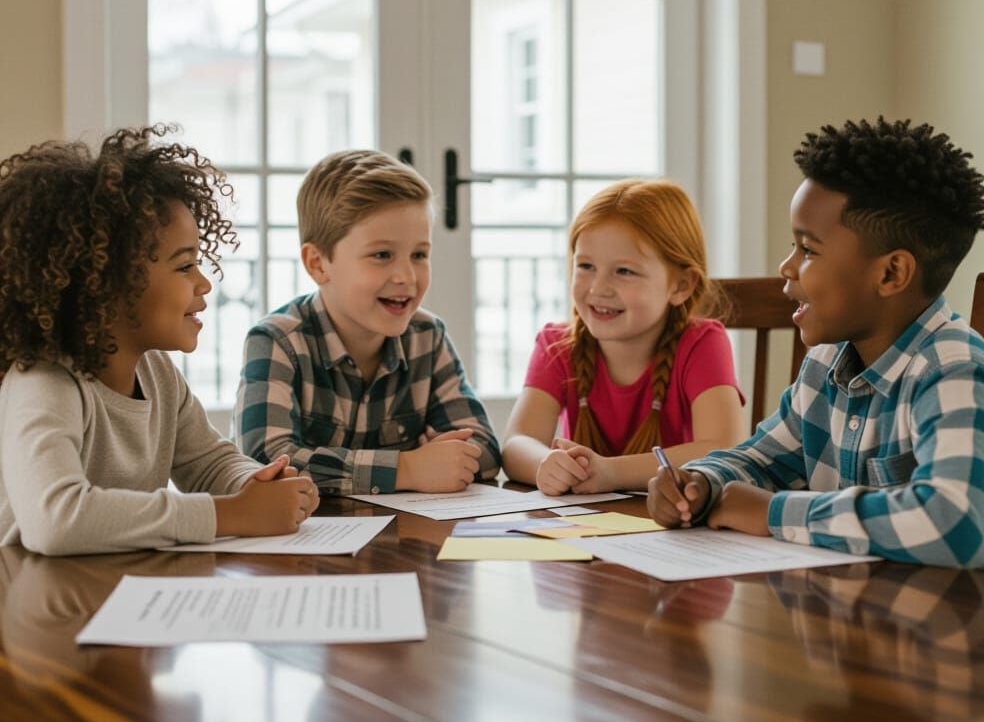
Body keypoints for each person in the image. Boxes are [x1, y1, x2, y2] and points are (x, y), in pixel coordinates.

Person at [648, 117, 984, 577]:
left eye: (808, 250)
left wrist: (773, 513)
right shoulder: (827, 363)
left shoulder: (954, 372)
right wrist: (702, 484)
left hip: (966, 632)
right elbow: (760, 460)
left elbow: (957, 528)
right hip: (866, 616)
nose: (787, 266)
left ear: (890, 274)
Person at [0, 126, 319, 555]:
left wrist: (258, 483)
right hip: (32, 606)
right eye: (184, 265)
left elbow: (207, 463)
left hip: (109, 594)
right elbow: (55, 521)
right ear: (107, 284)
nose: (204, 283)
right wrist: (233, 514)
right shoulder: (43, 383)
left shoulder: (157, 374)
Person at [234, 150, 500, 495]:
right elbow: (266, 460)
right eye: (381, 255)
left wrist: (450, 459)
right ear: (318, 264)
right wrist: (407, 469)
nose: (406, 276)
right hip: (307, 541)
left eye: (419, 255)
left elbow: (486, 451)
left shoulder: (427, 336)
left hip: (404, 538)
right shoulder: (278, 340)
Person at [502, 179, 746, 495]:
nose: (598, 288)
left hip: (677, 532)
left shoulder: (702, 343)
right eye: (586, 266)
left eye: (624, 271)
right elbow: (515, 443)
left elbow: (723, 449)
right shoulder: (556, 344)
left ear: (681, 285)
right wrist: (546, 463)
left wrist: (611, 472)